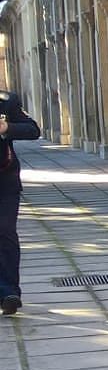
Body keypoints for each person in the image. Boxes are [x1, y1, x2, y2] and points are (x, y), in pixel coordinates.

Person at [0, 87, 41, 315]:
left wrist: (7, 128)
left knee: (4, 230)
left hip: (4, 180)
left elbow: (33, 129)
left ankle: (9, 292)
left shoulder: (6, 101)